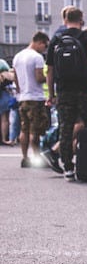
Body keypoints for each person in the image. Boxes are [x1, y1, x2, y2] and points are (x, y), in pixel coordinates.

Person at [45, 6, 87, 181]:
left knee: (65, 128)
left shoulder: (56, 39)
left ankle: (68, 168)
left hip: (64, 91)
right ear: (81, 19)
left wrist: (51, 94)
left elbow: (49, 69)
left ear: (65, 20)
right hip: (84, 89)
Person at [12, 32, 50, 168]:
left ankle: (25, 157)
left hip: (22, 98)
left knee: (24, 129)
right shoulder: (37, 57)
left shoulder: (17, 56)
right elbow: (39, 77)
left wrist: (19, 91)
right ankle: (37, 158)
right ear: (39, 42)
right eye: (44, 46)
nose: (44, 49)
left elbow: (15, 78)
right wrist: (50, 78)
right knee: (36, 129)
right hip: (35, 97)